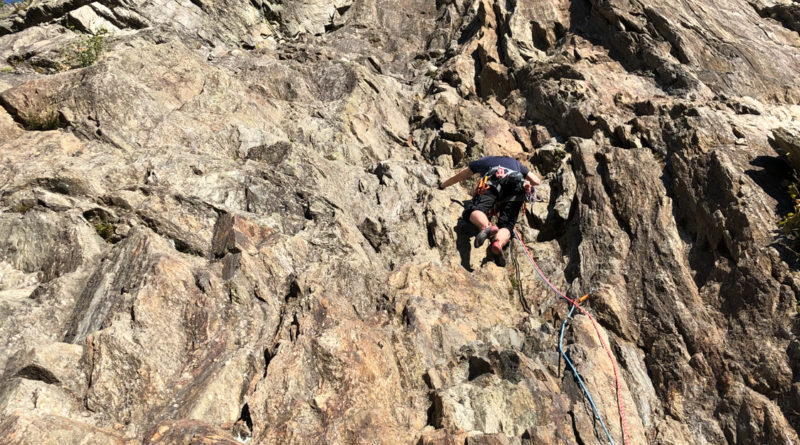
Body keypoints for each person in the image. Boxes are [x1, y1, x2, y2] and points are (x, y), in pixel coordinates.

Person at [439, 155, 541, 265]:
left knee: (476, 209)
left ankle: (486, 227)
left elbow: (461, 175)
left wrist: (443, 185)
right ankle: (498, 243)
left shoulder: (484, 160)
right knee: (507, 225)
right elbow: (536, 180)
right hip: (517, 187)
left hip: (494, 180)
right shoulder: (516, 164)